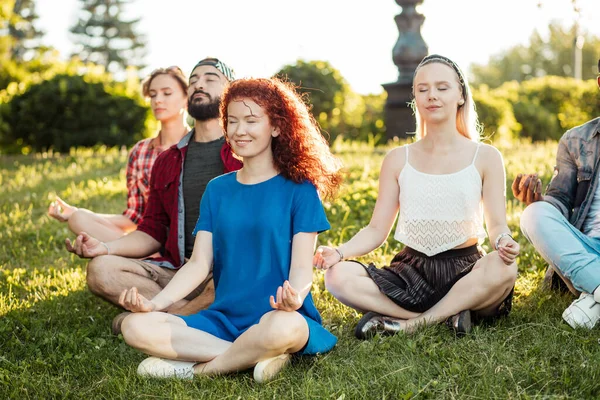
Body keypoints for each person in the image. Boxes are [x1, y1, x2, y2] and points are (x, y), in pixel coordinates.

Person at [116, 77, 342, 383]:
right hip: (222, 318)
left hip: (279, 316)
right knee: (135, 326)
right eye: (232, 121)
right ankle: (253, 356)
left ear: (276, 126)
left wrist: (295, 299)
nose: (239, 130)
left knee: (284, 329)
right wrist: (155, 304)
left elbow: (302, 267)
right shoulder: (217, 190)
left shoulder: (300, 190)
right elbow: (198, 264)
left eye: (251, 120)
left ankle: (200, 370)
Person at [313, 54, 518, 339]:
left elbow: (496, 225)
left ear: (460, 94)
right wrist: (340, 252)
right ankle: (447, 316)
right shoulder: (398, 159)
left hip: (466, 271)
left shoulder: (485, 157)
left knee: (504, 268)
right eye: (422, 89)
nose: (431, 95)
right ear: (415, 98)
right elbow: (376, 230)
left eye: (442, 87)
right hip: (410, 272)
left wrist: (503, 241)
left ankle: (407, 323)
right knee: (337, 277)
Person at [65, 58, 242, 327]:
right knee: (101, 269)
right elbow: (153, 229)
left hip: (229, 272)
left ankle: (164, 321)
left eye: (209, 78)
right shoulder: (168, 160)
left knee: (238, 278)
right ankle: (188, 317)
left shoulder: (244, 151)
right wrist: (105, 247)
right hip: (181, 271)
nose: (199, 85)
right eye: (193, 80)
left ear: (231, 90)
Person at [48, 66, 190, 242]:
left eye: (167, 93)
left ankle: (139, 259)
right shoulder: (140, 152)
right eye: (153, 94)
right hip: (151, 241)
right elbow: (134, 218)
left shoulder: (198, 146)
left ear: (187, 98)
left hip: (189, 243)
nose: (158, 100)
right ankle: (145, 258)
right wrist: (76, 214)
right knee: (78, 219)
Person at [516, 59, 600, 329]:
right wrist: (537, 201)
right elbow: (559, 200)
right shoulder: (576, 141)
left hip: (582, 263)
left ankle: (592, 292)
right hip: (585, 248)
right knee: (534, 215)